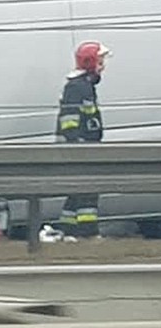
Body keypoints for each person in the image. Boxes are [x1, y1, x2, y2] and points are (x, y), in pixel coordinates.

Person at [56, 40, 111, 238]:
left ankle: (68, 230)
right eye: (100, 61)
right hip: (80, 149)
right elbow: (69, 121)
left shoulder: (85, 86)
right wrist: (77, 146)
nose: (103, 66)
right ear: (91, 62)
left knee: (77, 191)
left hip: (86, 148)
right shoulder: (77, 87)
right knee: (88, 191)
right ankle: (88, 233)